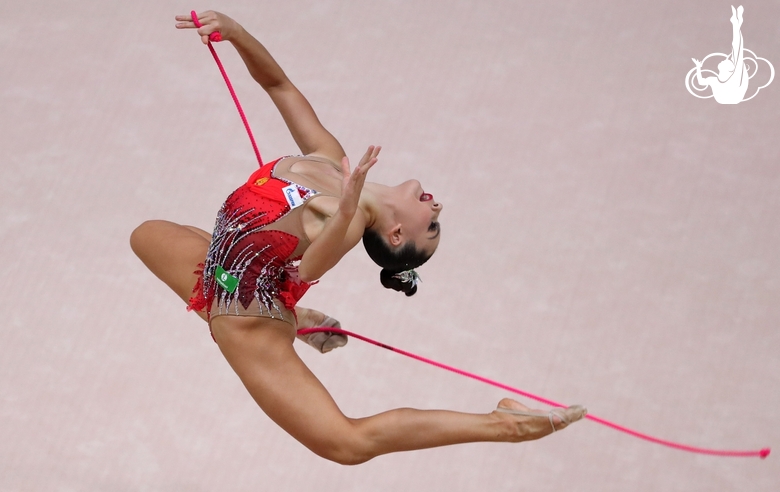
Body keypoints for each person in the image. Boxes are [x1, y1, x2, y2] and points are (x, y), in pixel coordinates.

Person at [130, 10, 586, 465]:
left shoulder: (347, 220)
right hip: (230, 282)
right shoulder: (331, 160)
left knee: (347, 445)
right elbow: (279, 87)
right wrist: (237, 34)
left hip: (248, 322)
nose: (438, 208)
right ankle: (293, 312)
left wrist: (348, 205)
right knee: (145, 235)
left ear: (394, 232)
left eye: (430, 226)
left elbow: (309, 267)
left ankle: (506, 425)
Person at [692, 5, 748, 104]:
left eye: (727, 61)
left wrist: (698, 68)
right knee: (737, 52)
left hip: (732, 96)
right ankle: (736, 23)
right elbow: (701, 82)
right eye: (728, 61)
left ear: (729, 69)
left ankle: (736, 23)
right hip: (730, 97)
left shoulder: (732, 77)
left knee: (737, 51)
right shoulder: (716, 80)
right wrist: (698, 67)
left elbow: (737, 48)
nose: (725, 59)